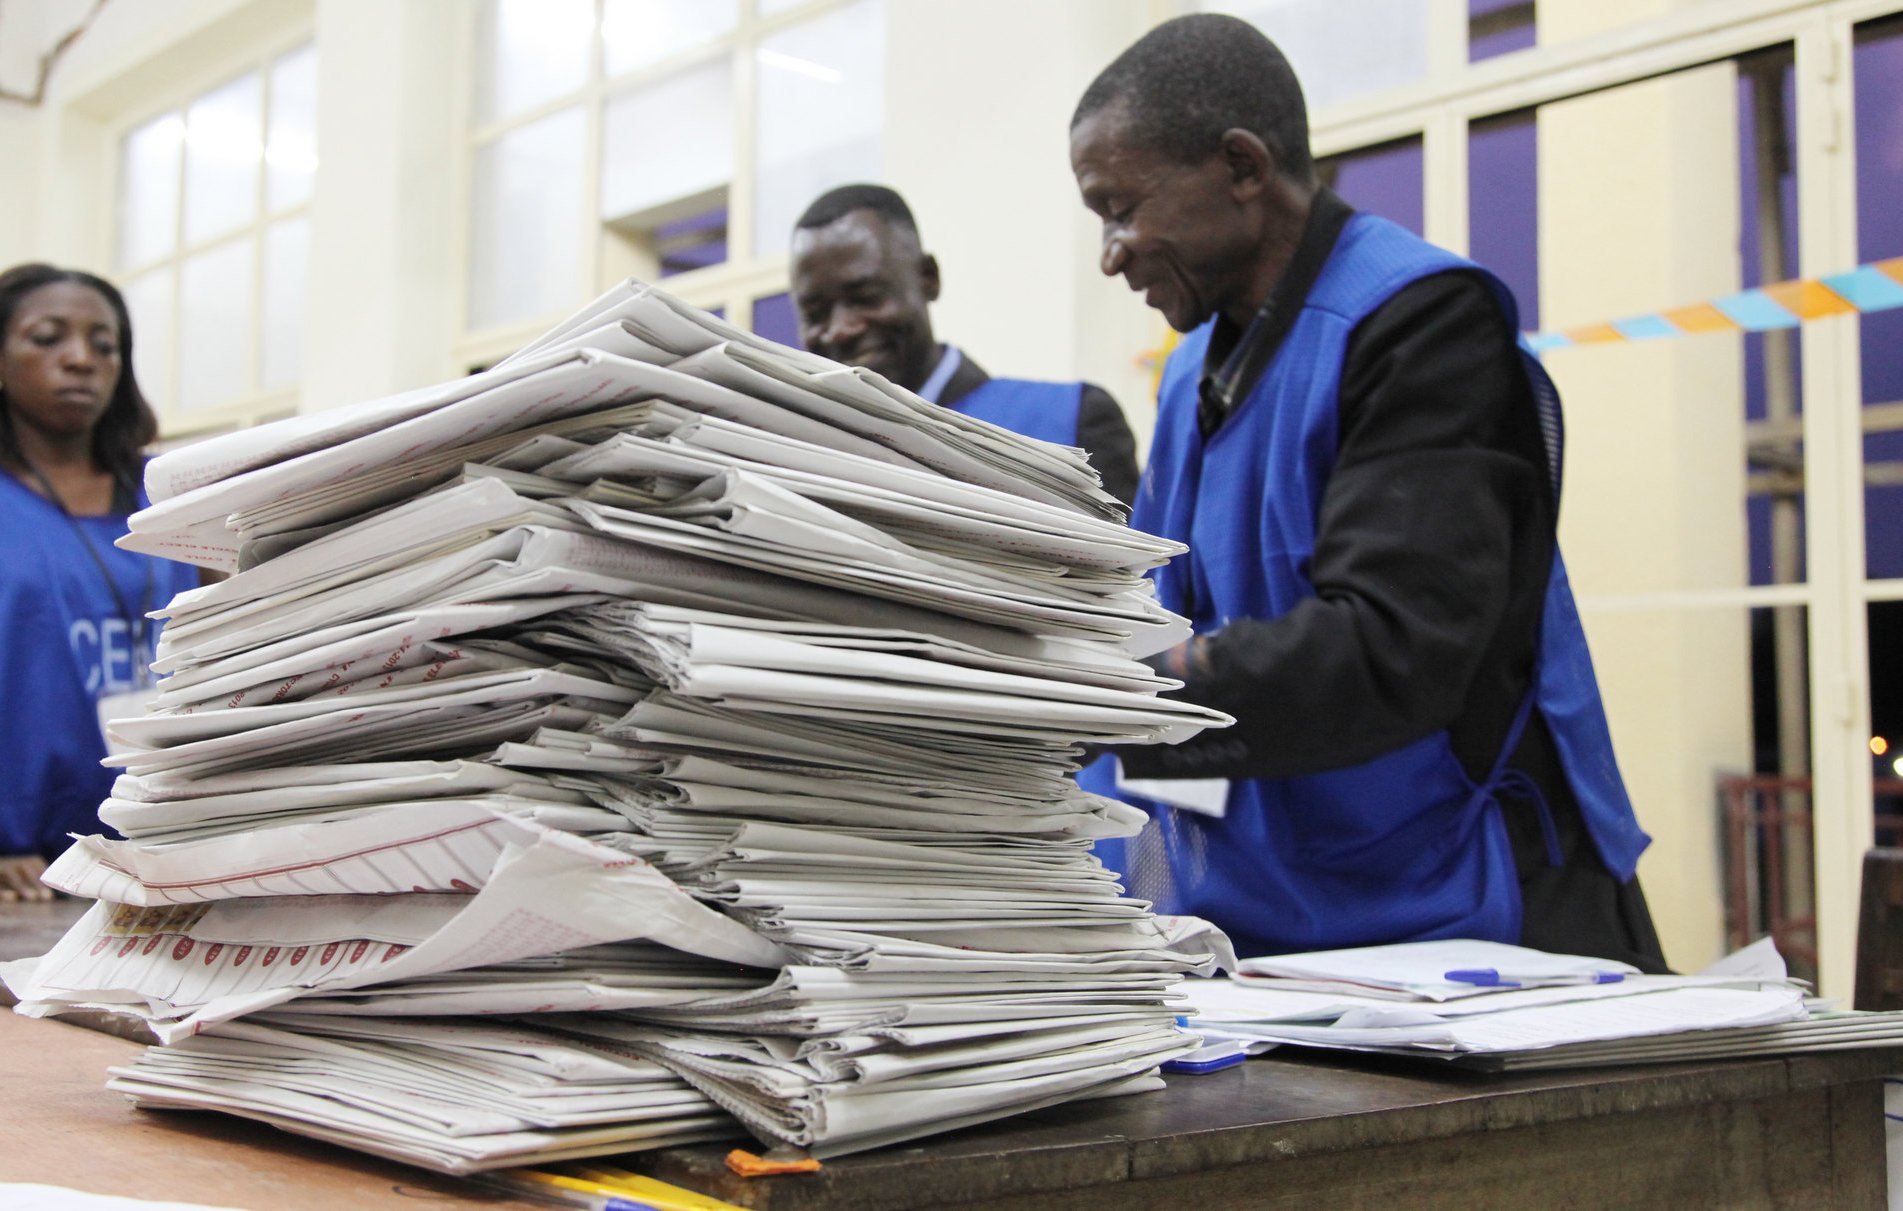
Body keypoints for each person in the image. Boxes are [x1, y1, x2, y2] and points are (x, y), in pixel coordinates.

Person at [1067, 15, 1667, 970]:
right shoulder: (1188, 376)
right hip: (1293, 907)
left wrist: (1093, 690)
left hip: (1474, 907)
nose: (1110, 252)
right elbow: (1157, 618)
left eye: (1120, 207)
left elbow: (1392, 648)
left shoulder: (1423, 322)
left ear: (1242, 167)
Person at [0, 264, 198, 901]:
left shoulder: (174, 496)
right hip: (23, 863)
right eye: (47, 338)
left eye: (104, 345)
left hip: (167, 848)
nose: (80, 359)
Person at [789, 183, 1140, 508]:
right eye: (815, 313)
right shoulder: (795, 451)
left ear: (928, 278)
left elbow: (1140, 574)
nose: (840, 330)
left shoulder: (1069, 421)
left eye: (865, 297)